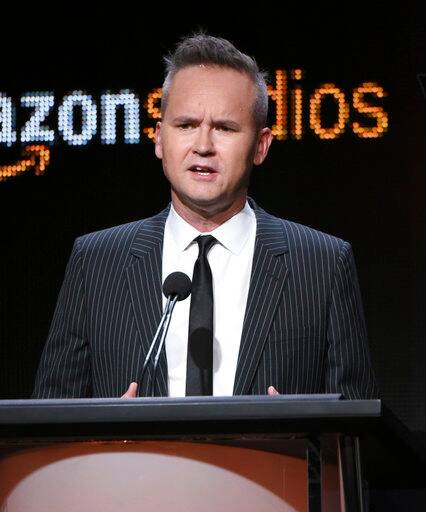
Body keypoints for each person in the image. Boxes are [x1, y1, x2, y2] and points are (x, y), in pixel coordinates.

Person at [32, 33, 377, 400]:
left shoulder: (322, 264)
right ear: (159, 138)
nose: (203, 146)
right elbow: (50, 417)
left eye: (224, 128)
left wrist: (301, 431)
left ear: (261, 146)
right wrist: (106, 432)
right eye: (186, 125)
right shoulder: (96, 263)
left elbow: (356, 422)